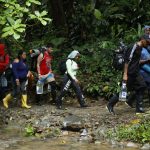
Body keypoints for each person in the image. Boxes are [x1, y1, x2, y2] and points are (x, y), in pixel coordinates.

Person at [106, 38, 150, 115]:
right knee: (124, 90)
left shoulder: (140, 48)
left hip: (136, 72)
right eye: (147, 42)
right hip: (129, 73)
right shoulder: (134, 46)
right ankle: (110, 104)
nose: (148, 44)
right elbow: (127, 61)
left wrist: (147, 60)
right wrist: (125, 74)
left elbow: (136, 61)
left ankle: (139, 108)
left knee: (142, 86)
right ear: (142, 40)